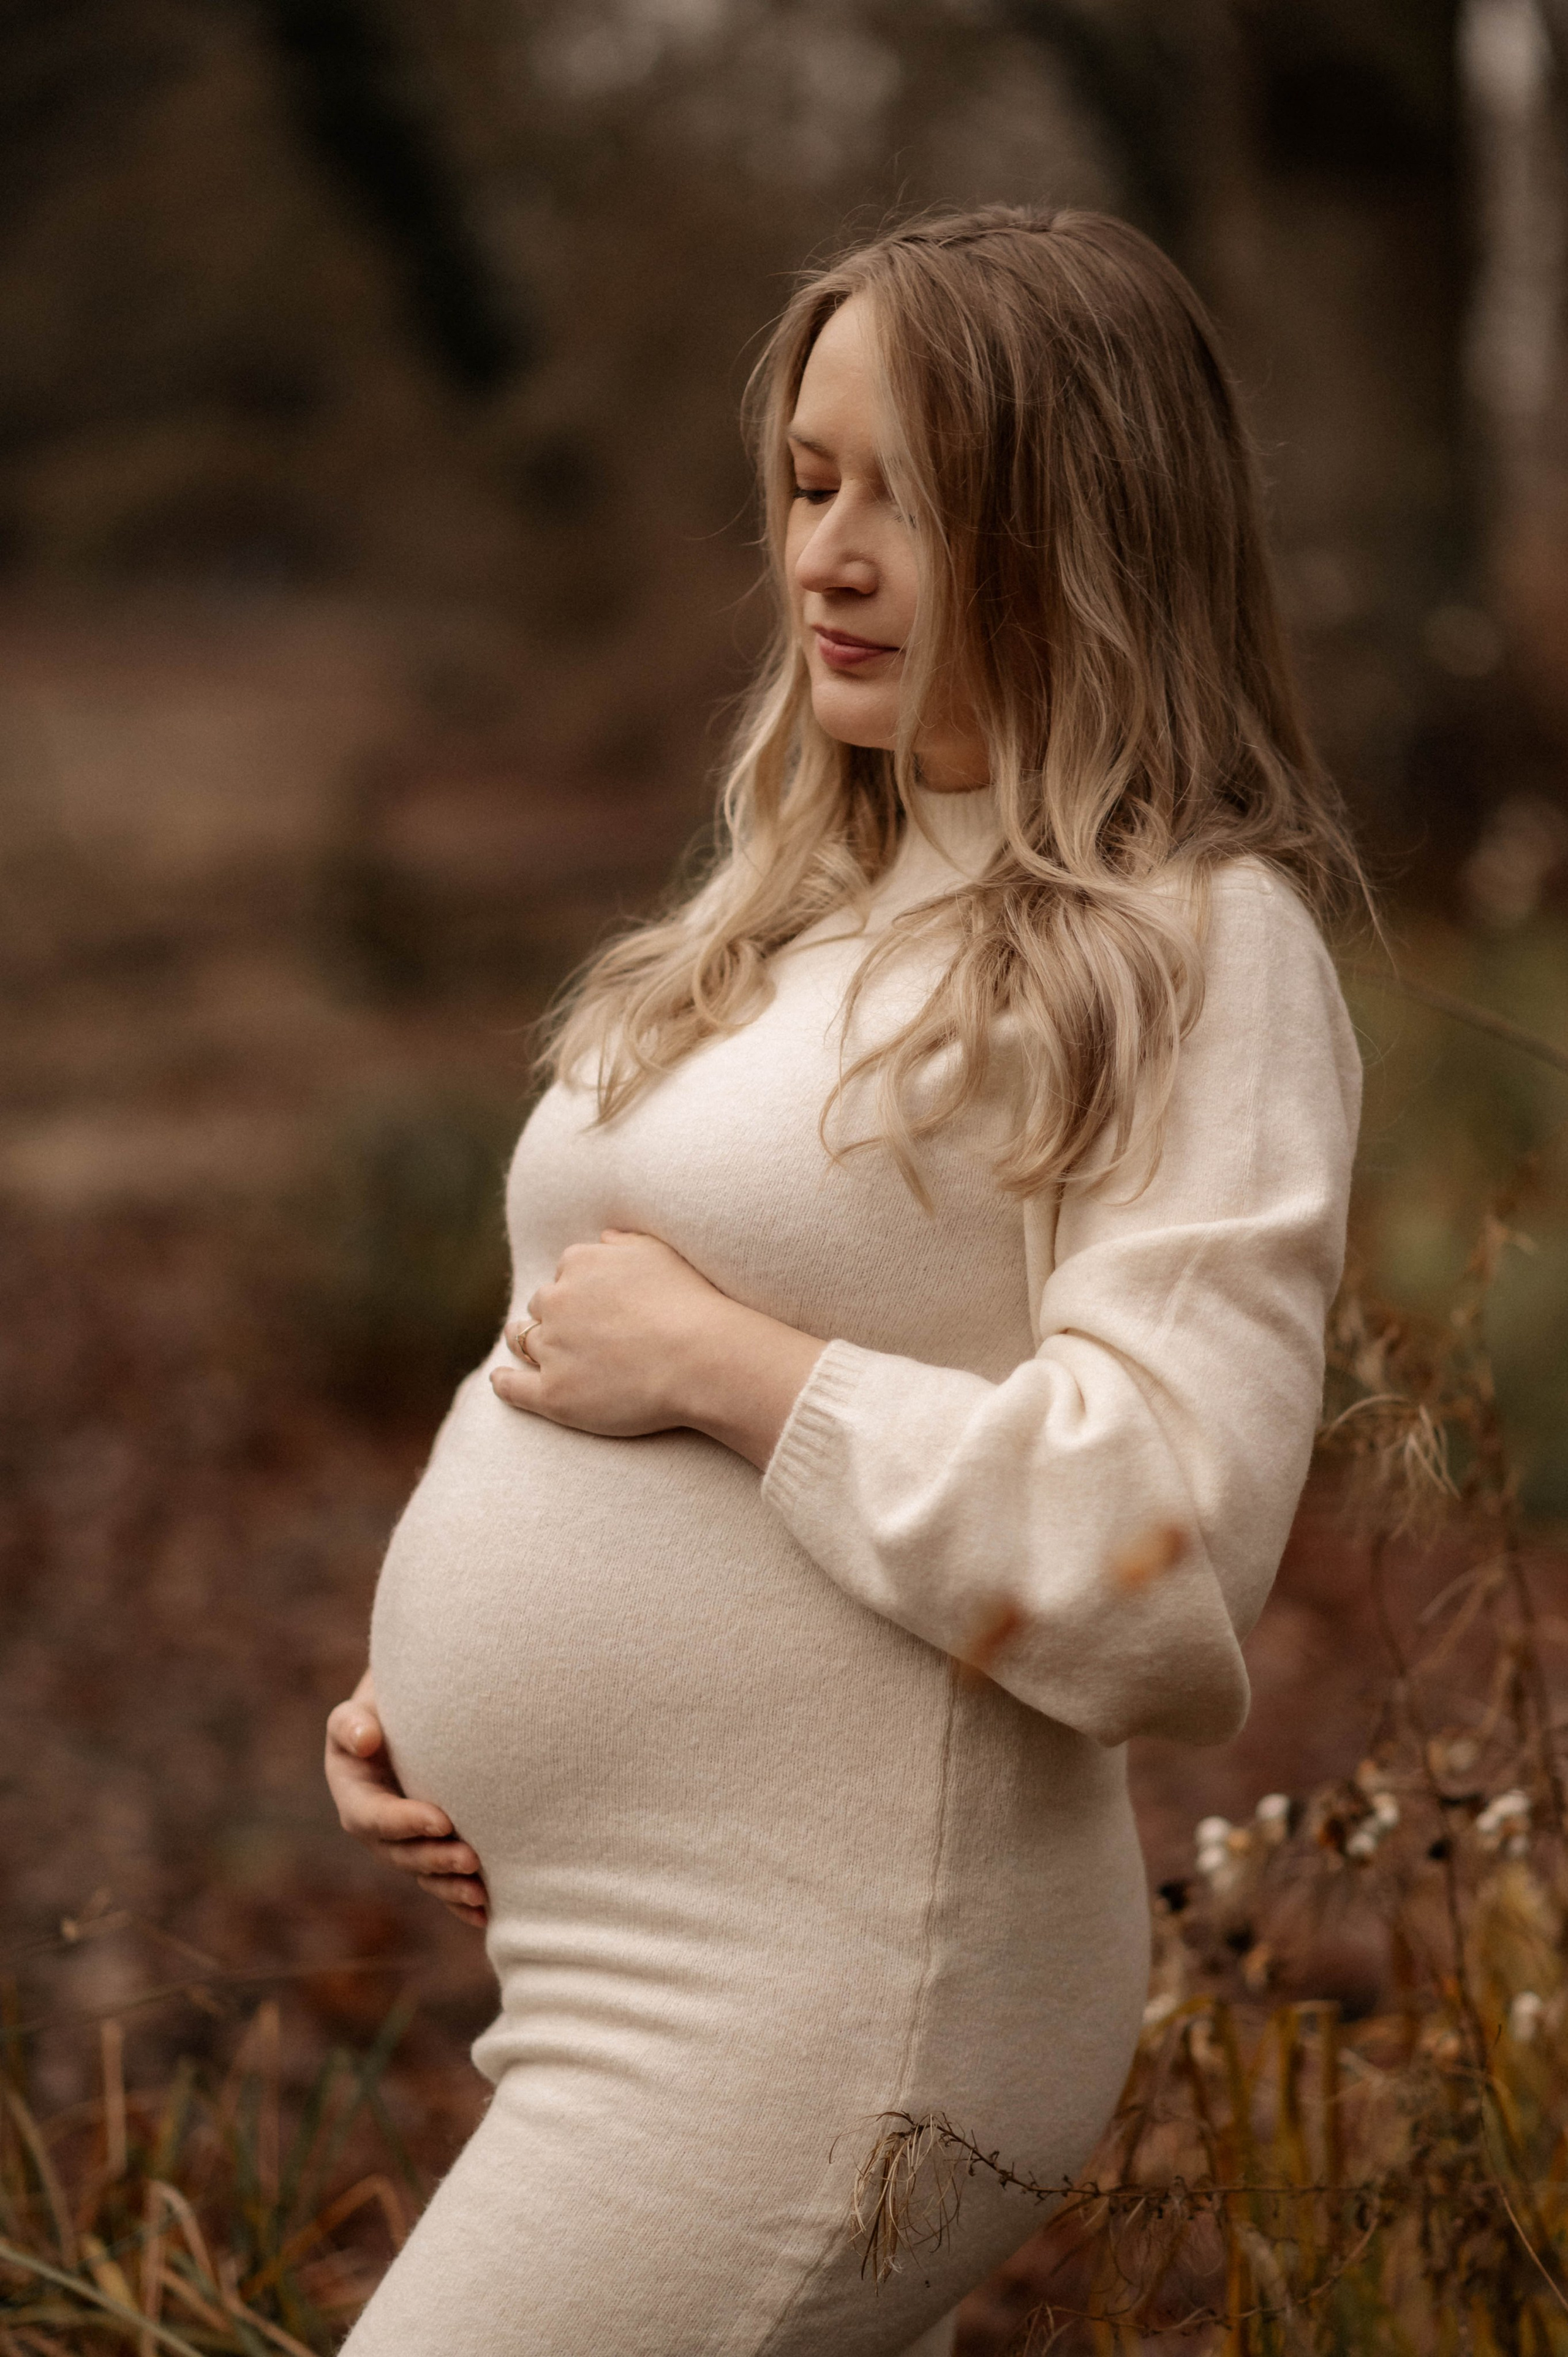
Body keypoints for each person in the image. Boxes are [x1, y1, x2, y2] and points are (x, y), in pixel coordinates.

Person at [323, 205, 1364, 2356]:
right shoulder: (802, 907)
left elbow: (1156, 1567)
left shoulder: (1197, 939)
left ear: (1091, 530)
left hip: (832, 1987)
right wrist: (420, 1708)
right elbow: (568, 1355)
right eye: (812, 483)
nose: (831, 557)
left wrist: (734, 1372)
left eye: (921, 498)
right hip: (614, 1951)